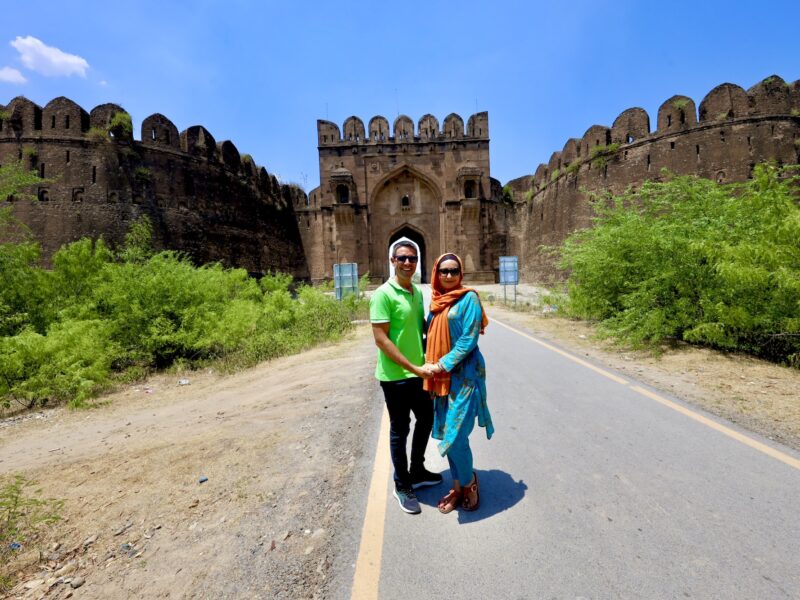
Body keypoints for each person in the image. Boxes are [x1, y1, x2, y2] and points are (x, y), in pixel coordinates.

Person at [370, 241, 443, 514]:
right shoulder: (383, 294)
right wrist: (415, 368)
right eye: (402, 258)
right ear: (392, 260)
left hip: (419, 373)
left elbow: (421, 329)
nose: (408, 262)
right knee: (400, 430)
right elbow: (381, 340)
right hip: (396, 377)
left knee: (426, 419)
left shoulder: (414, 292)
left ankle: (417, 470)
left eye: (412, 258)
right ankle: (401, 484)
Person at [423, 253, 494, 513]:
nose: (449, 275)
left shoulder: (469, 299)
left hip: (464, 377)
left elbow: (469, 339)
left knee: (455, 436)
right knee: (446, 432)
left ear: (461, 274)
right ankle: (457, 486)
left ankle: (470, 482)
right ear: (436, 273)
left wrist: (441, 364)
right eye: (444, 271)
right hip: (441, 381)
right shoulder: (436, 303)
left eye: (454, 271)